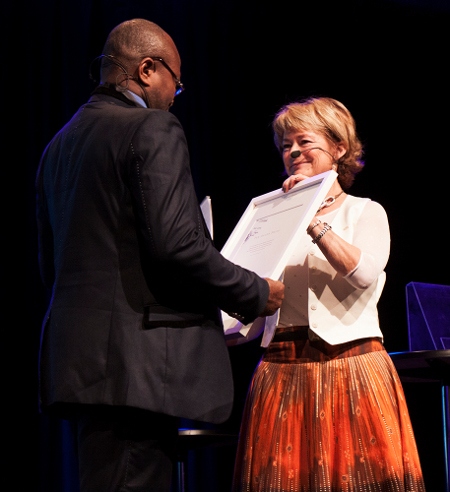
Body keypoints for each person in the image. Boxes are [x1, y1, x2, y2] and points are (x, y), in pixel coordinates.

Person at [35, 18, 284, 492]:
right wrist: (255, 291)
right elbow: (177, 244)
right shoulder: (152, 126)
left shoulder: (59, 145)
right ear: (147, 69)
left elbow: (51, 265)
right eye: (176, 80)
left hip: (79, 365)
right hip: (138, 371)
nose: (175, 94)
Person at [231, 96, 426, 491]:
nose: (293, 152)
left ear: (339, 149)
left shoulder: (364, 211)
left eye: (304, 141)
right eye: (286, 146)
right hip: (282, 373)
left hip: (350, 369)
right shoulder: (271, 218)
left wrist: (312, 217)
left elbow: (364, 274)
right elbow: (247, 314)